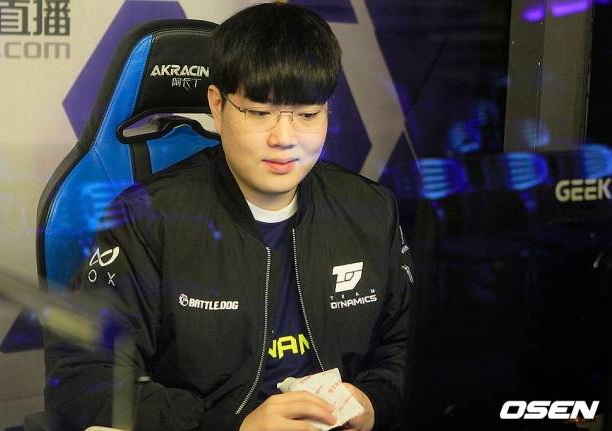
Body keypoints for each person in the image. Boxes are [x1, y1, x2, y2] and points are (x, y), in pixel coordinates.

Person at [45, 3, 413, 431]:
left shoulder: (370, 210)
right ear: (217, 106)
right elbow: (83, 377)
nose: (285, 138)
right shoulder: (146, 219)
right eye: (259, 113)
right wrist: (231, 425)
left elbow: (406, 346)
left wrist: (374, 402)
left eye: (308, 115)